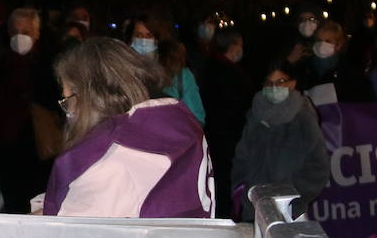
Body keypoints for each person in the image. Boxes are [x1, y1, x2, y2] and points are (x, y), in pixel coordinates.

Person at [36, 37, 212, 218]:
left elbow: (75, 233)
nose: (69, 111)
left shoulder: (109, 161)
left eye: (68, 100)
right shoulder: (176, 120)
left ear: (93, 98)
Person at [230, 60, 330, 219]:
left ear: (292, 83)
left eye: (281, 82)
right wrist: (243, 191)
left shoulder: (303, 118)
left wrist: (294, 197)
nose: (274, 87)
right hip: (254, 206)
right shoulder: (256, 114)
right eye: (269, 83)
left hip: (289, 211)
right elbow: (241, 157)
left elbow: (319, 166)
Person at [0, 7, 54, 212]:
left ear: (37, 33)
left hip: (38, 155)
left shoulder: (47, 63)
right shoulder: (4, 63)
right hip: (8, 155)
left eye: (26, 32)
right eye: (15, 32)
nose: (20, 37)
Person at [198, 27, 253, 219]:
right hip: (228, 137)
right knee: (225, 183)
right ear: (232, 45)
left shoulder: (213, 67)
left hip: (219, 135)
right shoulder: (226, 72)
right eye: (240, 44)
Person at [125, 12, 204, 124]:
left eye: (149, 36)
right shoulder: (122, 72)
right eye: (138, 35)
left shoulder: (180, 75)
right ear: (131, 39)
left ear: (158, 39)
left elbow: (197, 119)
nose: (143, 41)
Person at [294, 19, 373, 104]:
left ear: (338, 45)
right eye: (318, 40)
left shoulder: (349, 72)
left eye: (327, 41)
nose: (321, 45)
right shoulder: (304, 69)